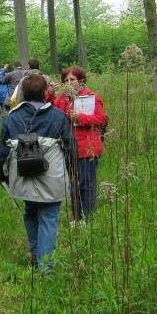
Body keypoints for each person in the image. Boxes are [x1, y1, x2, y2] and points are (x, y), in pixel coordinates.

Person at [0, 73, 76, 271]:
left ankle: (35, 252)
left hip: (22, 177)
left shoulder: (12, 118)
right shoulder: (58, 117)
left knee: (30, 212)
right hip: (52, 178)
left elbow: (2, 152)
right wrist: (73, 171)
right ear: (45, 92)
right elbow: (71, 147)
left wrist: (1, 174)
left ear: (22, 92)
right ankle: (45, 266)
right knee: (49, 217)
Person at [53, 66, 107, 221]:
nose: (69, 83)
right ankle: (77, 218)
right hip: (68, 148)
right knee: (73, 184)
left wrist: (80, 118)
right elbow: (50, 111)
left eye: (72, 79)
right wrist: (49, 94)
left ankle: (87, 218)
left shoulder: (92, 97)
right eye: (66, 80)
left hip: (87, 148)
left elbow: (101, 119)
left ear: (81, 81)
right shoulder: (63, 98)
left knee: (86, 184)